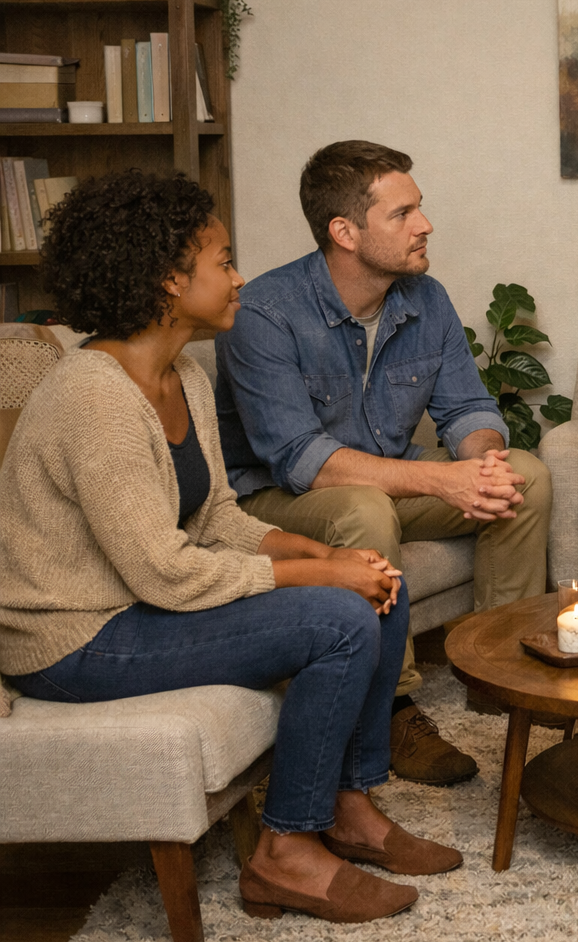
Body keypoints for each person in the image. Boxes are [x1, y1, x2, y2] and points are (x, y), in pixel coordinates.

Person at [0, 170, 461, 924]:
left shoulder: (179, 374)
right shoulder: (94, 395)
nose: (239, 275)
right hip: (73, 638)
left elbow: (214, 516)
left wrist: (336, 562)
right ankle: (287, 853)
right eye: (221, 261)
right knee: (338, 619)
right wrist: (318, 570)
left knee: (383, 587)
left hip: (136, 609)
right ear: (167, 281)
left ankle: (349, 806)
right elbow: (166, 572)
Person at [216, 140, 552, 786]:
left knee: (526, 478)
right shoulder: (264, 313)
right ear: (345, 231)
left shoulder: (425, 298)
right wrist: (440, 478)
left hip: (386, 477)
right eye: (403, 214)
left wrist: (480, 464)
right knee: (362, 504)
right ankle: (390, 706)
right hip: (281, 497)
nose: (424, 225)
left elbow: (469, 409)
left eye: (419, 209)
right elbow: (301, 460)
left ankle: (497, 672)